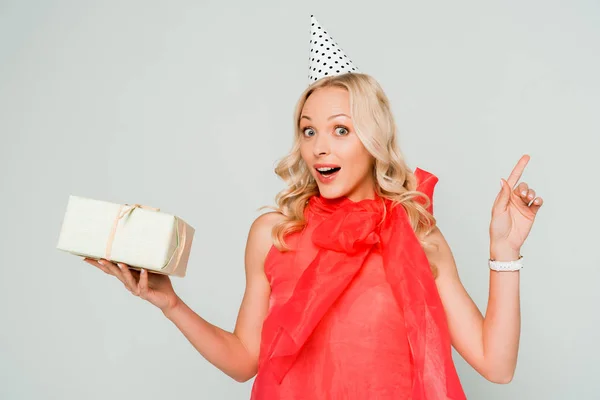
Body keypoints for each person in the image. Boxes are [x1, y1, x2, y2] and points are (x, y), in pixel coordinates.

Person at [84, 15, 544, 400]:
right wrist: (171, 303)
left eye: (340, 130)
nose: (320, 147)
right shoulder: (275, 232)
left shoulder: (417, 234)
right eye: (309, 131)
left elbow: (496, 366)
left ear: (373, 139)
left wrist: (504, 252)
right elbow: (246, 361)